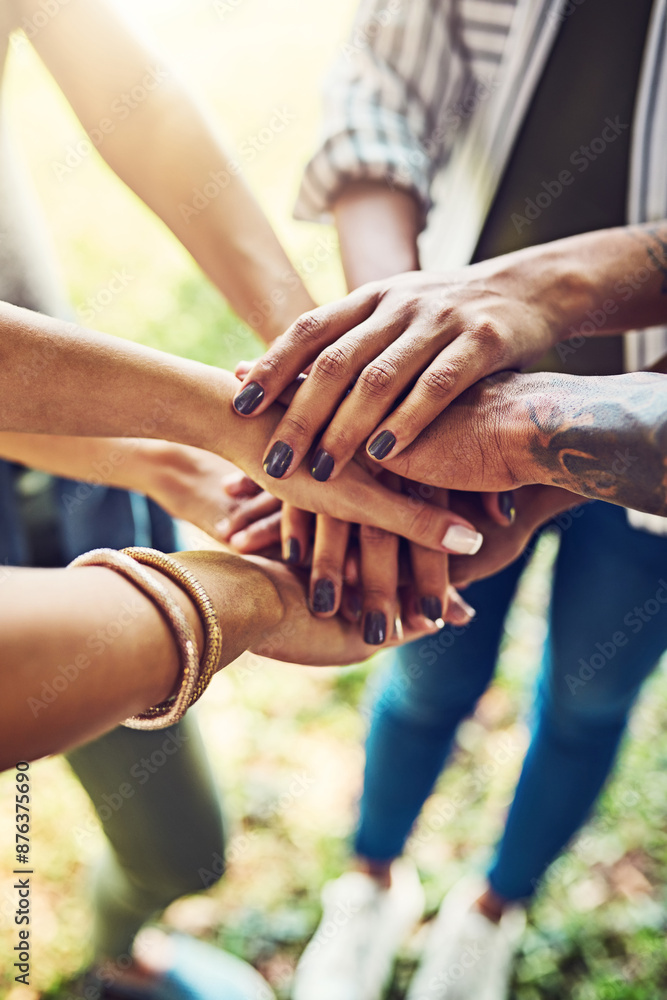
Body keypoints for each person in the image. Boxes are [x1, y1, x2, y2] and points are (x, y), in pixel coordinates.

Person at [0, 1, 476, 995]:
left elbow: (131, 94)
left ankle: (121, 960)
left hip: (83, 448)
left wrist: (317, 378)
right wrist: (248, 576)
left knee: (179, 850)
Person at [227, 2, 667, 998]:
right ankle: (371, 878)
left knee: (594, 693)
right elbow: (383, 84)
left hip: (641, 469)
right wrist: (401, 364)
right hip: (449, 420)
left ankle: (492, 909)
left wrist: (541, 449)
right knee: (423, 663)